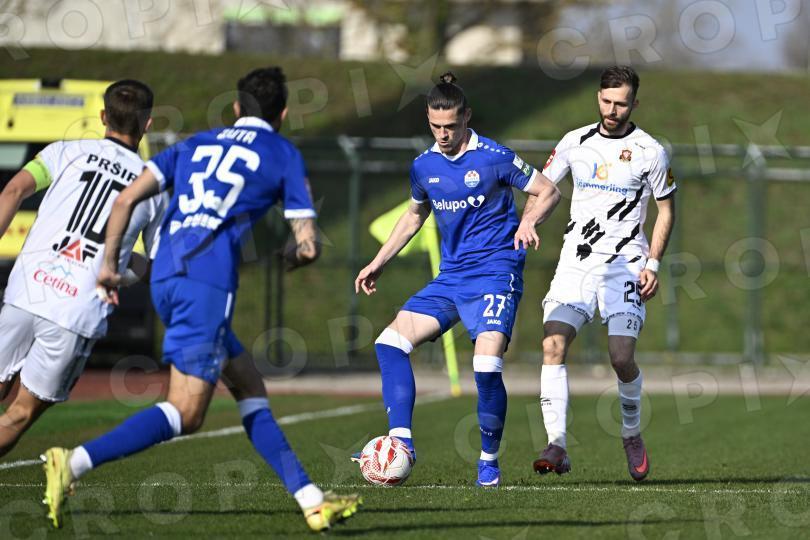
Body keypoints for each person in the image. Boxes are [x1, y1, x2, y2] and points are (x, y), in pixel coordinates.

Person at [41, 67, 361, 532]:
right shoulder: (282, 153)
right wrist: (296, 254)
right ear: (283, 114)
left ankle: (312, 501)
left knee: (249, 384)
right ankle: (72, 462)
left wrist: (109, 265)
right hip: (206, 283)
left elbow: (125, 201)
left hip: (166, 276)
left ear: (236, 108)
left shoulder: (194, 144)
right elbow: (307, 243)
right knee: (186, 413)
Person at [354, 72, 561, 488]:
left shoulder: (495, 156)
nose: (443, 134)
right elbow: (414, 216)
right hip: (451, 278)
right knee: (389, 343)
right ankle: (402, 442)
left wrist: (527, 222)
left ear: (466, 116)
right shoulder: (423, 166)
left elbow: (549, 191)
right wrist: (378, 261)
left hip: (496, 274)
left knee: (485, 366)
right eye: (435, 126)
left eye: (450, 125)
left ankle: (488, 460)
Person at [517, 65, 677, 481]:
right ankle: (556, 444)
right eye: (606, 101)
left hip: (626, 264)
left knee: (621, 357)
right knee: (553, 342)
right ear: (598, 98)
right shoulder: (575, 142)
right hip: (577, 262)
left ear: (634, 103)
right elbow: (544, 188)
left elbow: (666, 211)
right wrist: (529, 220)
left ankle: (631, 432)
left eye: (621, 103)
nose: (612, 110)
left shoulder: (650, 151)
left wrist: (653, 263)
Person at [0, 79, 163, 458]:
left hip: (26, 291)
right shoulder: (155, 185)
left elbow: (12, 191)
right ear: (147, 123)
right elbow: (156, 265)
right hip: (75, 310)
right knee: (19, 414)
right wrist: (122, 265)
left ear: (103, 116)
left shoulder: (65, 151)